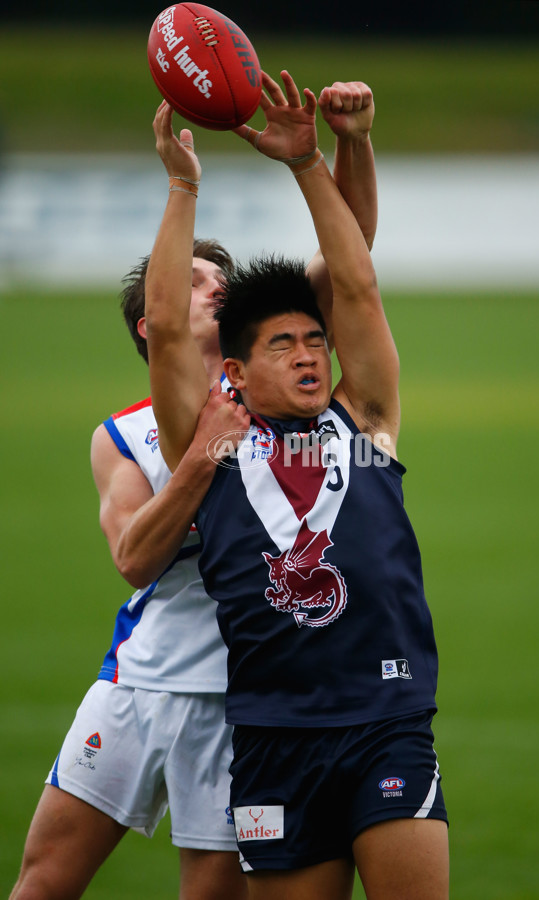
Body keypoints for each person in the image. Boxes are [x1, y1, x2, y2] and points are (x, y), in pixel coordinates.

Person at [9, 79, 378, 900]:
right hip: (137, 684)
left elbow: (348, 266)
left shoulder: (288, 400)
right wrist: (201, 463)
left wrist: (348, 144)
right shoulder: (127, 434)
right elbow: (136, 560)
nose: (221, 287)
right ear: (152, 323)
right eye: (203, 280)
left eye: (224, 279)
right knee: (42, 880)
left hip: (240, 699)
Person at [146, 71, 449, 900]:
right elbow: (169, 325)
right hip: (274, 735)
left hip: (386, 722)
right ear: (238, 370)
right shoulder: (209, 446)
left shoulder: (366, 421)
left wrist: (314, 160)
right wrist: (183, 185)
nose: (312, 354)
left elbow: (355, 283)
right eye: (285, 345)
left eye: (317, 340)